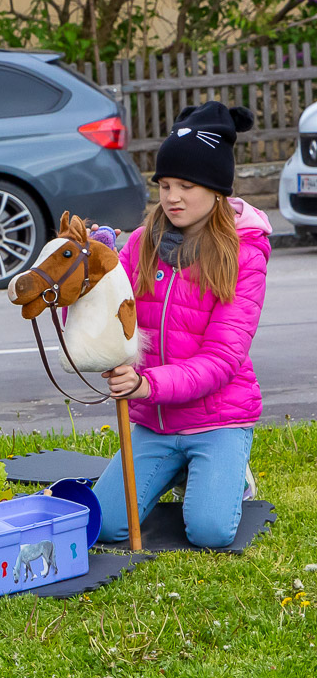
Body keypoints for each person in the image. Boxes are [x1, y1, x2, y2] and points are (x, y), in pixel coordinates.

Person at [93, 102, 271, 549]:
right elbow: (104, 319)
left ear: (217, 190)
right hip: (155, 422)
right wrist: (87, 279)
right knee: (106, 525)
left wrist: (145, 384)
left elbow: (222, 359)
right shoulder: (141, 243)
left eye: (186, 186)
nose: (172, 197)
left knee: (210, 532)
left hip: (218, 418)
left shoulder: (244, 256)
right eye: (165, 185)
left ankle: (230, 474)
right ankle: (178, 469)